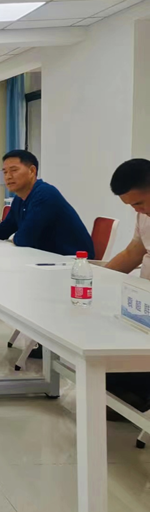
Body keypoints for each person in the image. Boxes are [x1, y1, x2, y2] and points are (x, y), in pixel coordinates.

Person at [0, 149, 95, 259]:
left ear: (32, 171)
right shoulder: (19, 198)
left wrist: (14, 237)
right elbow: (4, 229)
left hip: (72, 261)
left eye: (14, 170)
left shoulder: (45, 194)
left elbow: (25, 239)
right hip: (46, 258)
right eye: (5, 172)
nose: (8, 176)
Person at [104, 158, 150, 417]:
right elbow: (133, 252)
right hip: (143, 305)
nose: (138, 210)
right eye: (131, 206)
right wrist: (97, 278)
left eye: (139, 203)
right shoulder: (144, 216)